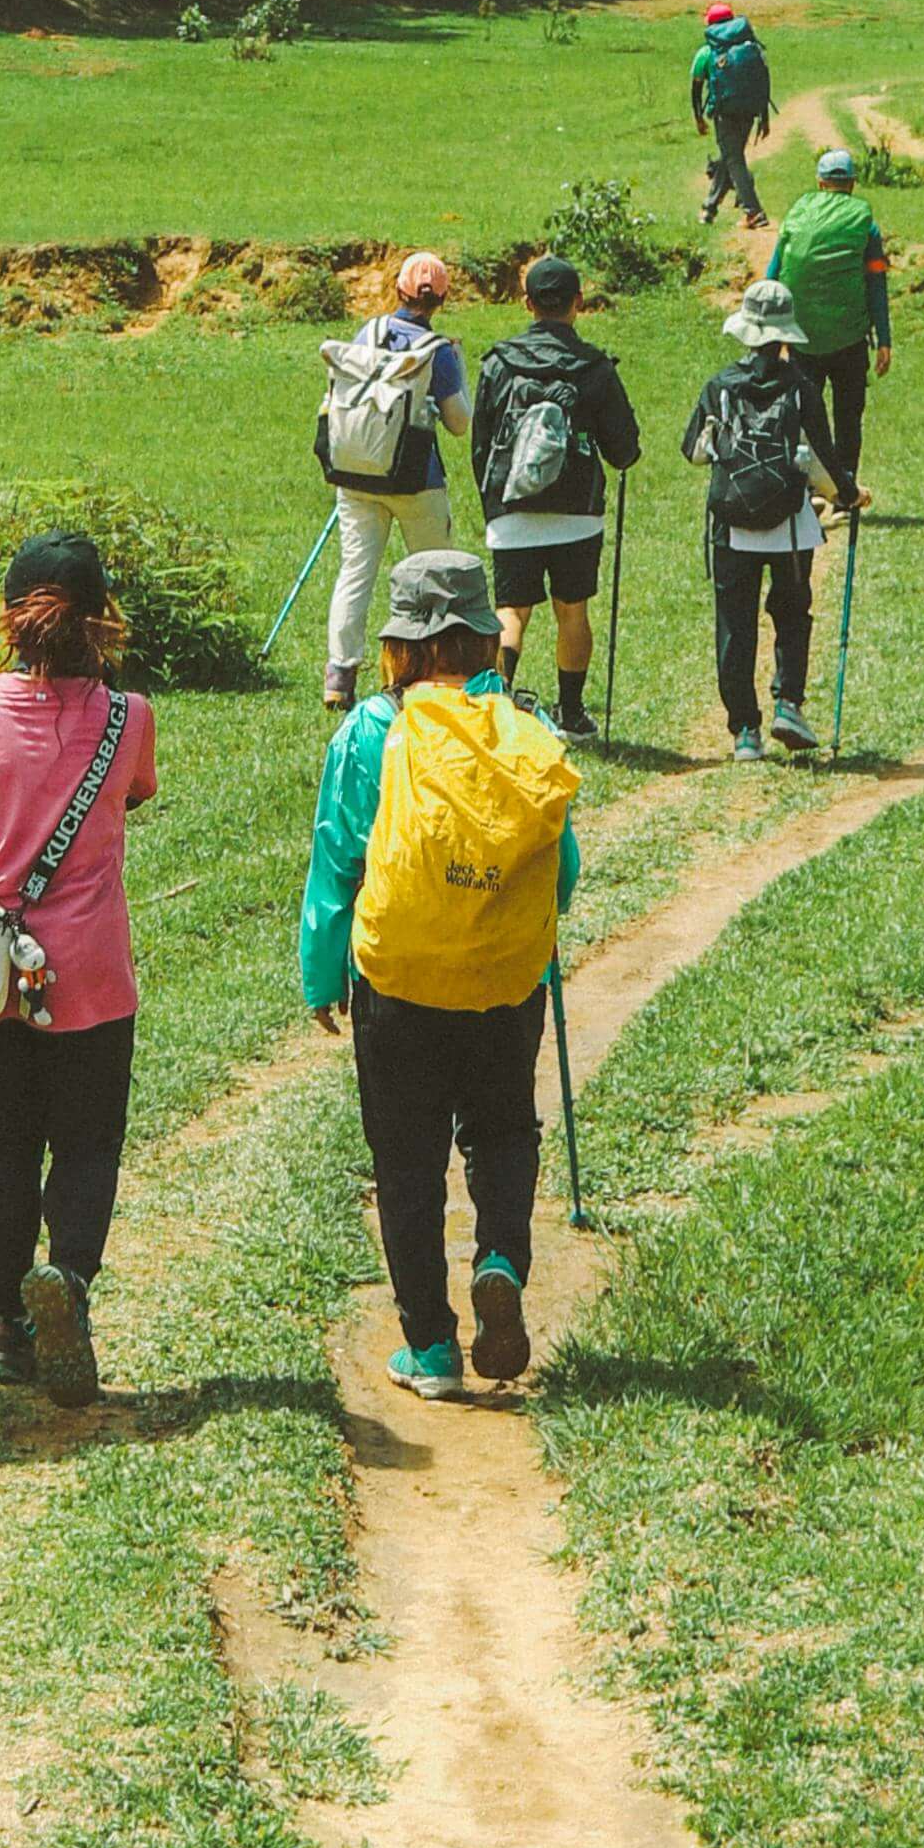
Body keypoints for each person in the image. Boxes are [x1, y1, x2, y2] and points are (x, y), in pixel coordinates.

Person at [299, 548, 582, 1398]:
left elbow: (338, 862)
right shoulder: (525, 728)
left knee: (407, 1161)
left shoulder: (370, 730)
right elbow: (562, 869)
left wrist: (321, 974)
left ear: (401, 644)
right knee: (504, 1131)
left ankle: (430, 1349)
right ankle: (500, 1261)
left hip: (399, 981)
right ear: (486, 635)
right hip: (505, 978)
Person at [0, 529, 158, 1401]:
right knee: (88, 1143)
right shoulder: (129, 718)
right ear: (102, 621)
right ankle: (69, 1285)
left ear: (9, 619)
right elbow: (135, 795)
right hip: (87, 969)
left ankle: (6, 1327)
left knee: (7, 1140)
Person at [466, 251, 641, 739]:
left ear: (527, 303)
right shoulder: (596, 367)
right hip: (576, 512)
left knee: (511, 612)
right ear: (578, 302)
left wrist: (495, 504)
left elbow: (481, 445)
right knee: (572, 610)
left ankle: (498, 708)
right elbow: (624, 451)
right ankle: (572, 713)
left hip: (512, 507)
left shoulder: (499, 363)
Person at [681, 275, 852, 760]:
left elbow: (693, 452)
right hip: (790, 527)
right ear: (784, 336)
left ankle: (744, 733)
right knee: (792, 614)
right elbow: (823, 461)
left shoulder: (719, 386)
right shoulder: (801, 389)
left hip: (732, 524)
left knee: (735, 624)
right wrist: (848, 493)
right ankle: (788, 704)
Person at [314, 247, 472, 713]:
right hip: (415, 479)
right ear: (441, 298)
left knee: (355, 572)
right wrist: (459, 368)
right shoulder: (438, 352)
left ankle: (340, 675)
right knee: (433, 573)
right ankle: (430, 668)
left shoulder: (369, 332)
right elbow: (459, 423)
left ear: (398, 290)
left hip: (357, 473)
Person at [766, 140, 895, 502]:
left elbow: (773, 273)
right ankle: (845, 490)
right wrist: (884, 339)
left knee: (805, 417)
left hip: (803, 338)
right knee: (848, 418)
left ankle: (807, 489)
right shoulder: (866, 226)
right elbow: (876, 284)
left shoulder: (797, 214)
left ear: (820, 183)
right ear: (852, 184)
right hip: (850, 340)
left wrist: (770, 334)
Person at [689, 0, 773, 229]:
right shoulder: (752, 49)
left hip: (724, 113)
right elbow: (763, 82)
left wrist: (698, 118)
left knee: (733, 159)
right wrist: (764, 118)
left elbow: (696, 89)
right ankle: (709, 209)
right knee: (730, 157)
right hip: (749, 111)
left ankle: (753, 212)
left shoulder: (707, 52)